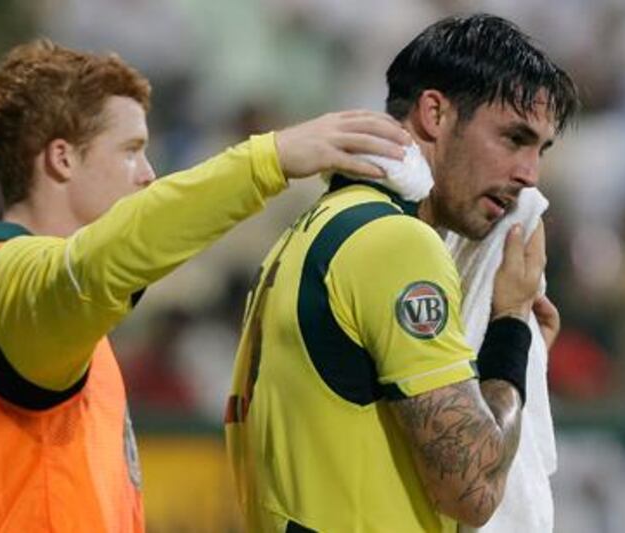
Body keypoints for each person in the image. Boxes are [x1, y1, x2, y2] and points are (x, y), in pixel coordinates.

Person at [0, 39, 412, 532]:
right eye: (131, 150)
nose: (148, 175)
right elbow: (105, 260)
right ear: (61, 159)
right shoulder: (2, 283)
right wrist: (268, 160)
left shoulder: (63, 320)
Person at [225, 14, 579, 532]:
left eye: (539, 150)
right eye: (513, 139)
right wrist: (509, 327)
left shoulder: (320, 227)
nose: (530, 175)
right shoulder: (397, 245)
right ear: (435, 113)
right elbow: (473, 488)